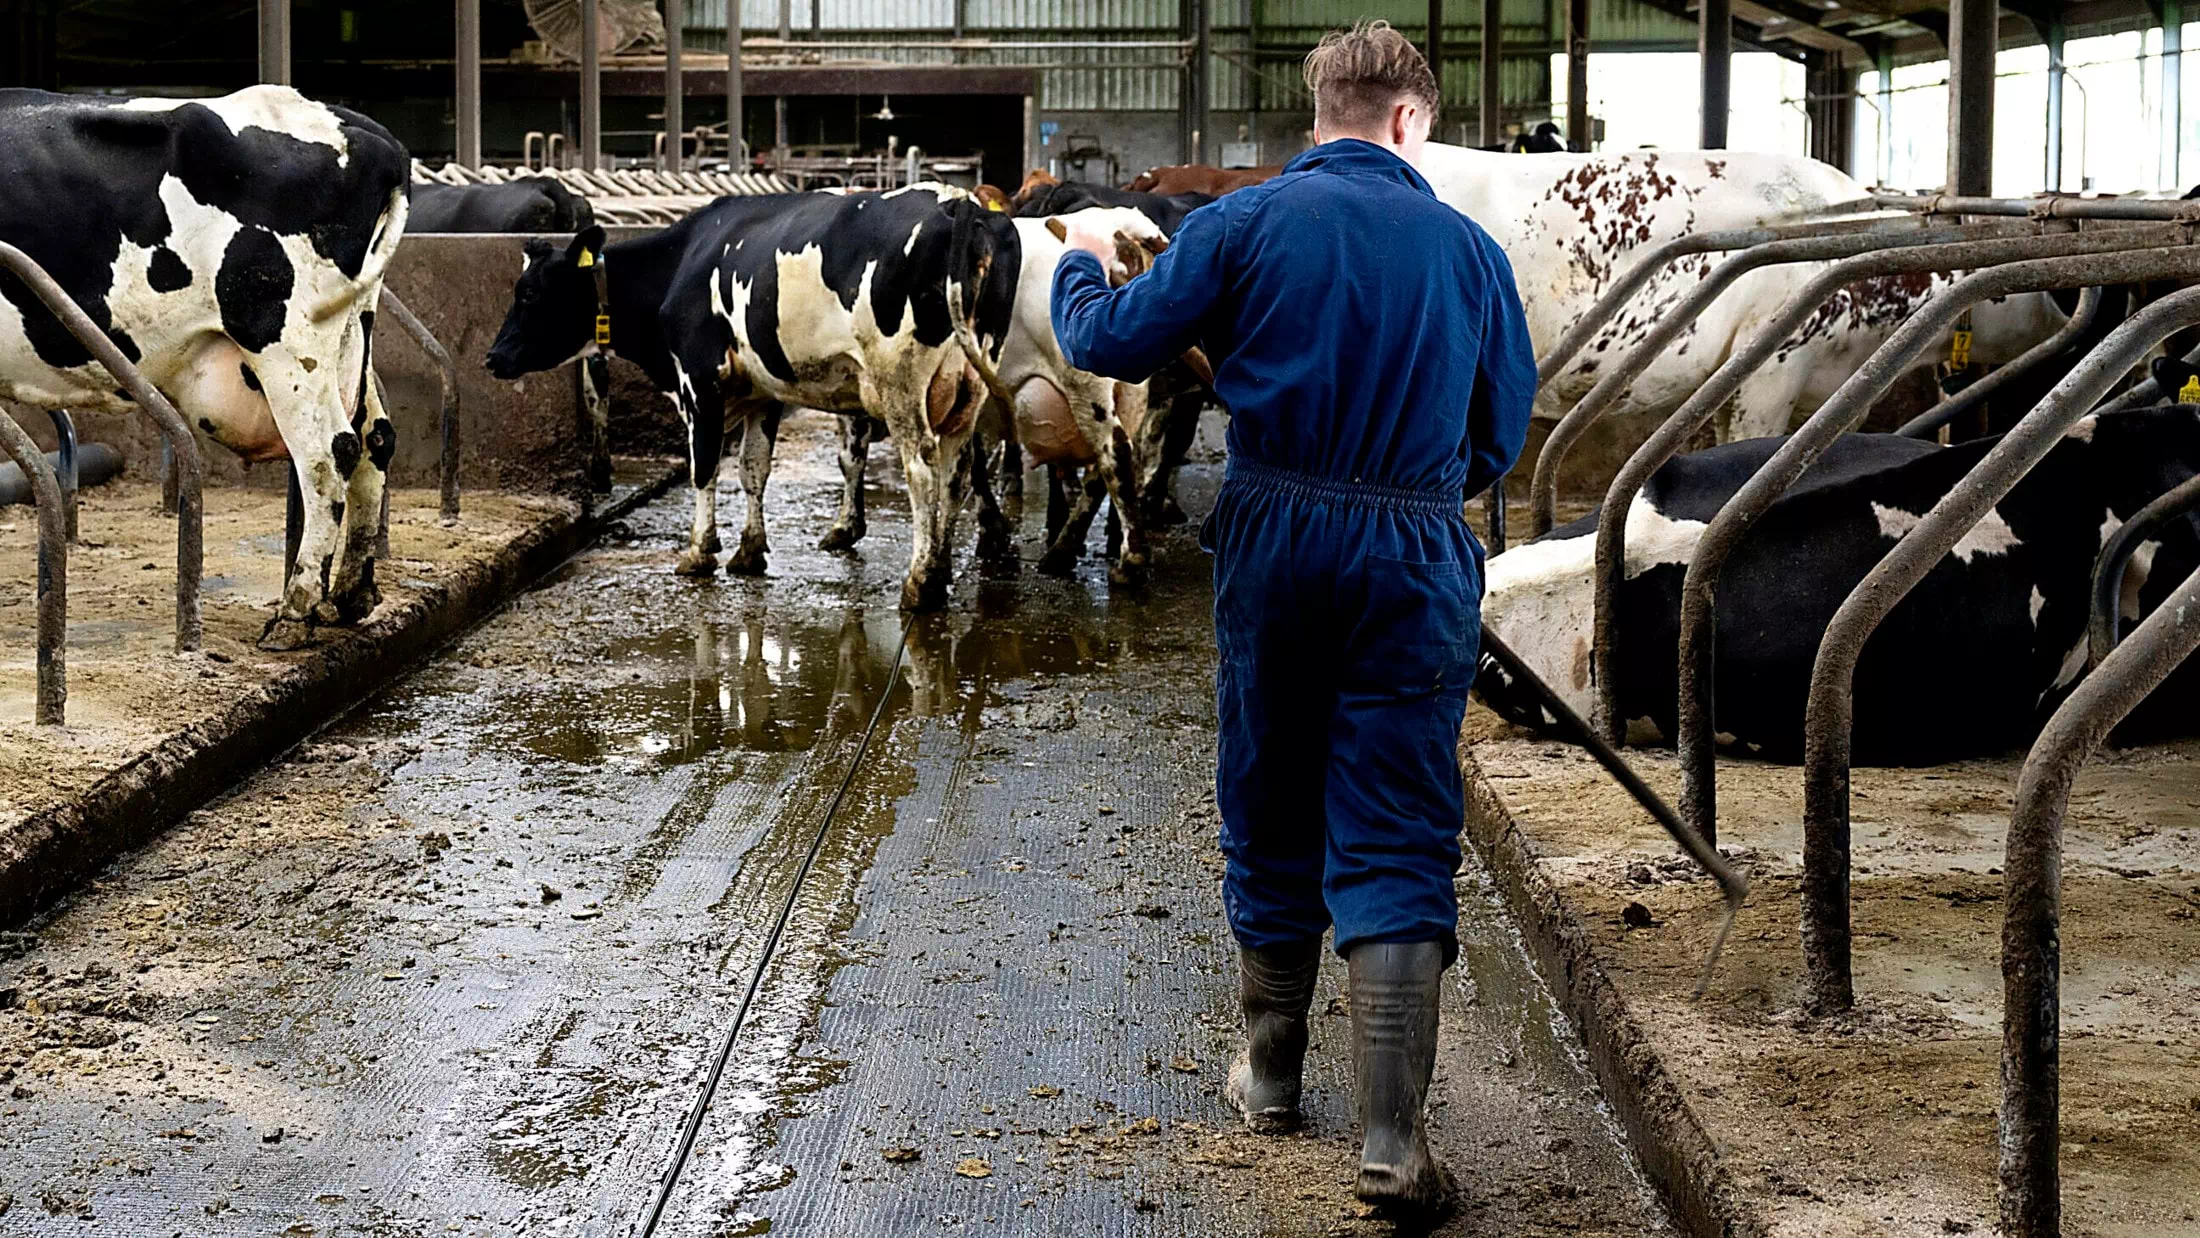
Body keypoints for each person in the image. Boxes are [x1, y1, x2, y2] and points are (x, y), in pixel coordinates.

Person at [1048, 19, 1535, 1215]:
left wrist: (1078, 256)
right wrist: (1415, 493)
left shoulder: (1242, 224)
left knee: (1267, 789)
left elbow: (1104, 339)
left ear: (1314, 114)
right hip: (1412, 542)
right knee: (1396, 817)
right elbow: (1497, 434)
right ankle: (1389, 1140)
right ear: (1410, 120)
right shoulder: (1469, 252)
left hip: (1272, 531)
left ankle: (1268, 1074)